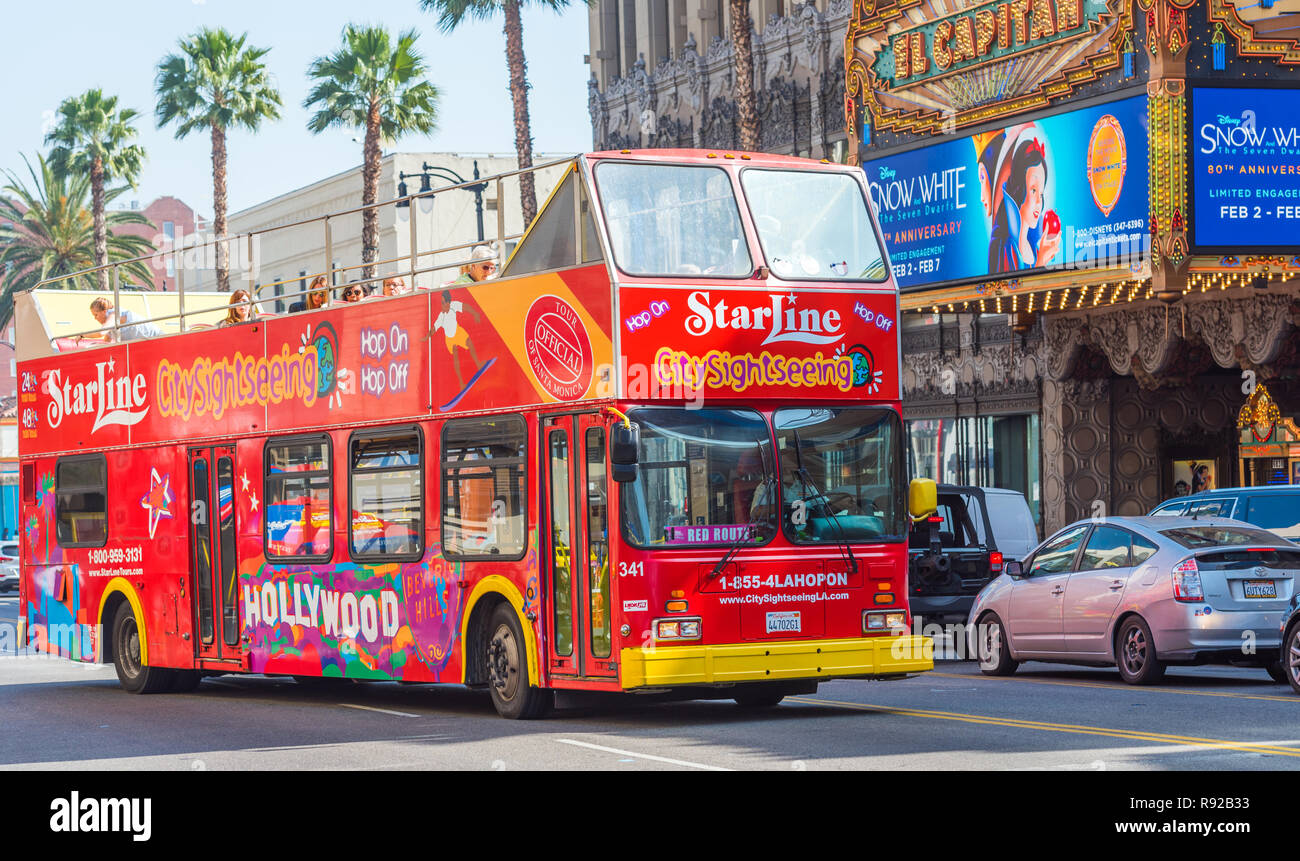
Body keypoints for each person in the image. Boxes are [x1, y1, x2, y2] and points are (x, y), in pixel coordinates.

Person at [988, 136, 1062, 273]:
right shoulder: (1006, 247)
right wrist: (1041, 263)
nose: (1039, 202)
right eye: (1033, 190)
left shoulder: (1035, 249)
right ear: (1019, 189)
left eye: (1041, 193)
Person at [434, 289, 484, 390]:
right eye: (441, 303)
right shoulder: (441, 316)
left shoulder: (453, 305)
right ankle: (461, 383)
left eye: (444, 303)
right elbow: (434, 328)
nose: (442, 305)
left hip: (458, 332)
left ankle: (479, 364)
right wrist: (427, 337)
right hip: (449, 339)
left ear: (448, 302)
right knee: (456, 357)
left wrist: (475, 314)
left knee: (469, 343)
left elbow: (465, 307)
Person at [89, 298, 162, 342]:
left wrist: (82, 335)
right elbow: (106, 341)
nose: (95, 318)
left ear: (104, 311)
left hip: (158, 338)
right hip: (147, 343)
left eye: (96, 315)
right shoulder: (109, 326)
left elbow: (101, 333)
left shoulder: (114, 315)